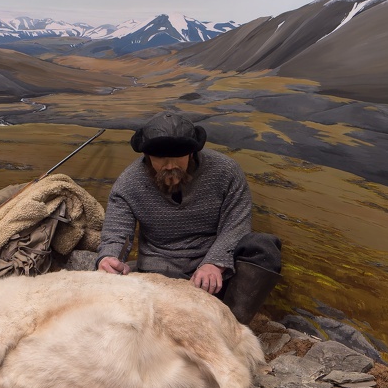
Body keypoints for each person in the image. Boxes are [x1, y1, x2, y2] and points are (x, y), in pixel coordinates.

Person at [96, 110, 282, 324]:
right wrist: (109, 257)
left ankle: (232, 322)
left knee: (264, 247)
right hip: (163, 269)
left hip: (216, 271)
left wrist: (215, 263)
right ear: (147, 156)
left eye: (178, 157)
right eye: (160, 158)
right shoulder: (128, 183)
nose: (169, 166)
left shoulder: (225, 172)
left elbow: (236, 224)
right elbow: (117, 232)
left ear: (192, 153)